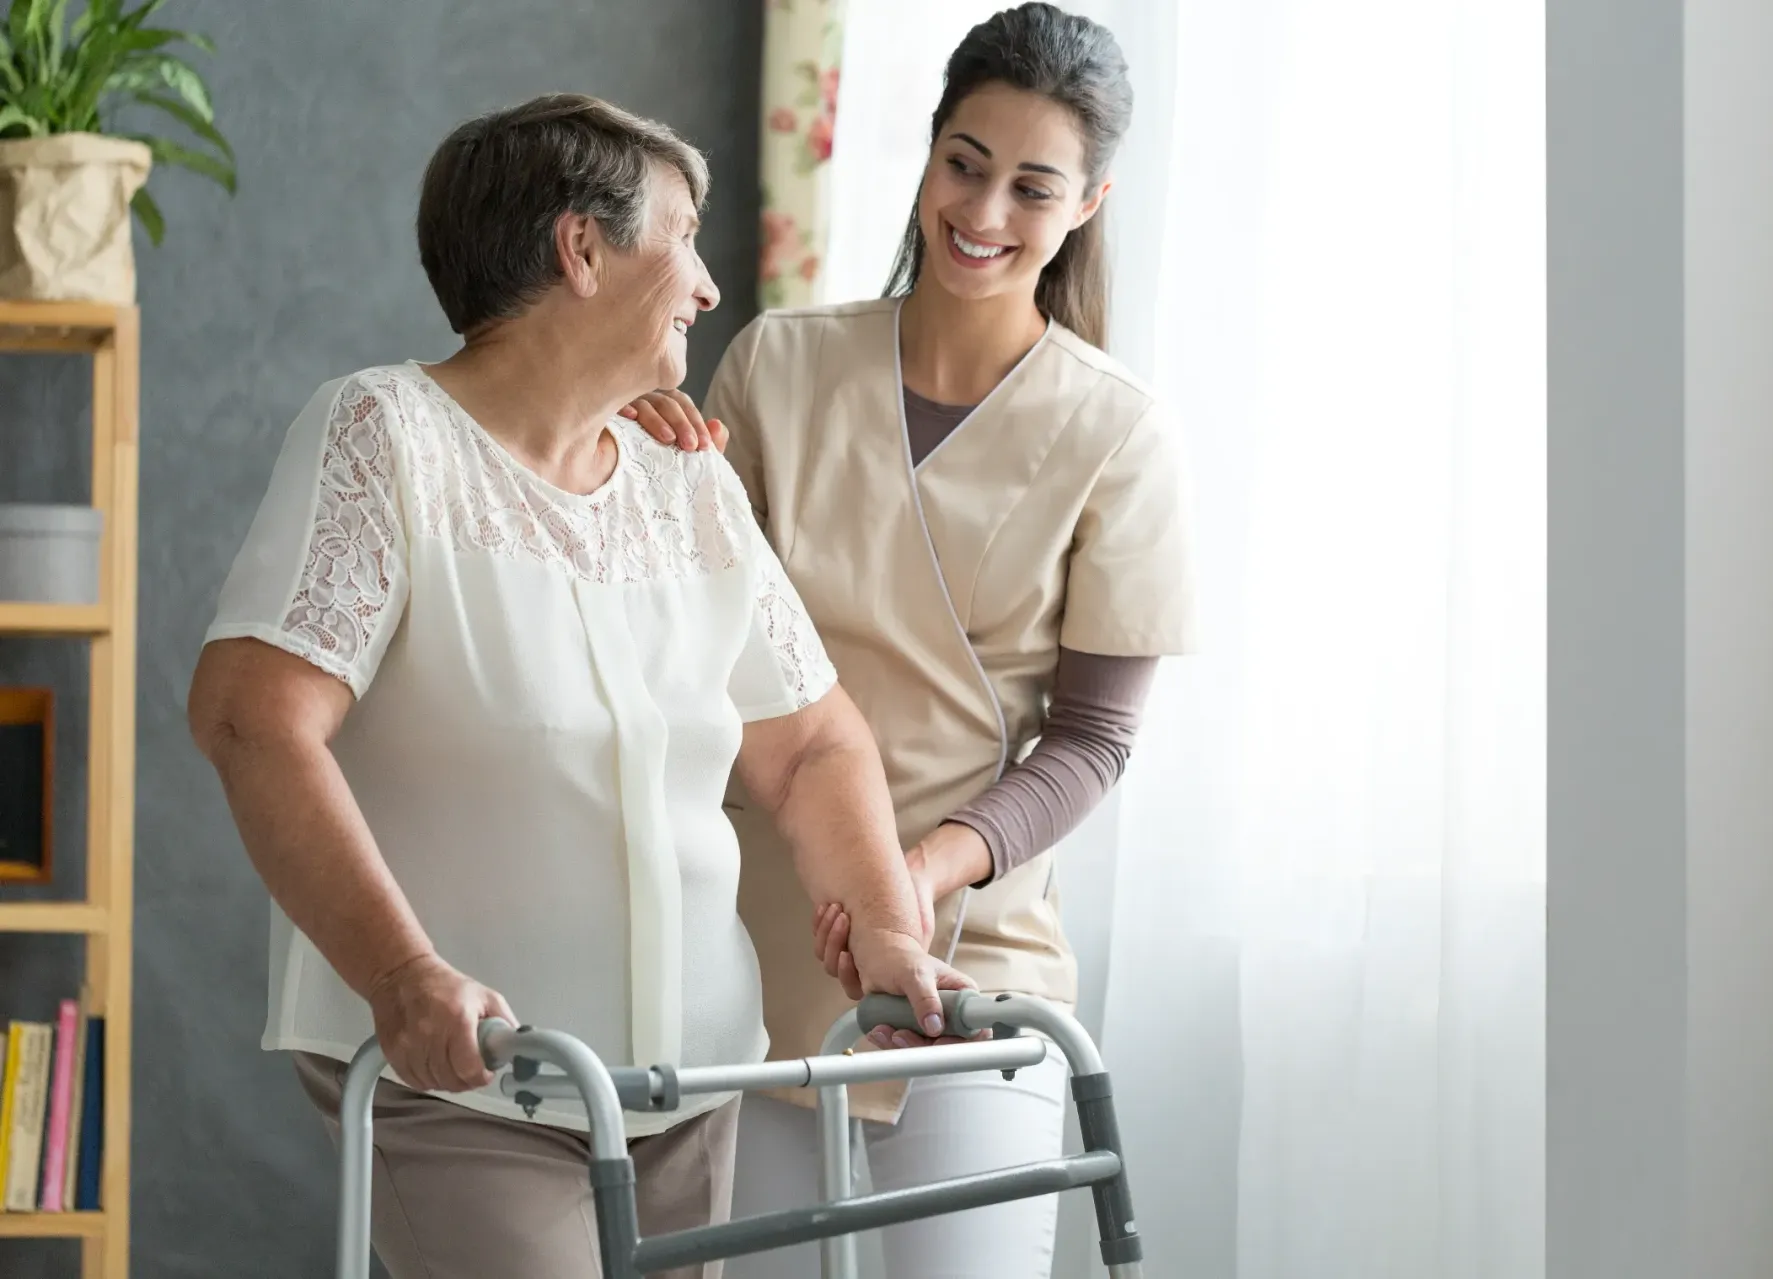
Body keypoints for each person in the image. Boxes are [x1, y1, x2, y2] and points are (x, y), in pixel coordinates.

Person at [186, 94, 965, 1279]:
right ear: (582, 248)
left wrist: (890, 930)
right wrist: (404, 978)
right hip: (469, 1081)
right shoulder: (386, 437)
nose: (708, 287)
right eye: (685, 239)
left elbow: (810, 746)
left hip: (689, 1083)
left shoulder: (684, 477)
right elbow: (251, 716)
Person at [626, 7, 1198, 1276]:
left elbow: (1096, 741)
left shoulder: (1121, 435)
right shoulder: (776, 367)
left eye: (1032, 185)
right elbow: (682, 641)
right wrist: (638, 473)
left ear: (1089, 202)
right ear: (929, 152)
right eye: (964, 161)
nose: (985, 209)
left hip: (973, 965)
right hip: (763, 956)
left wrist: (927, 869)